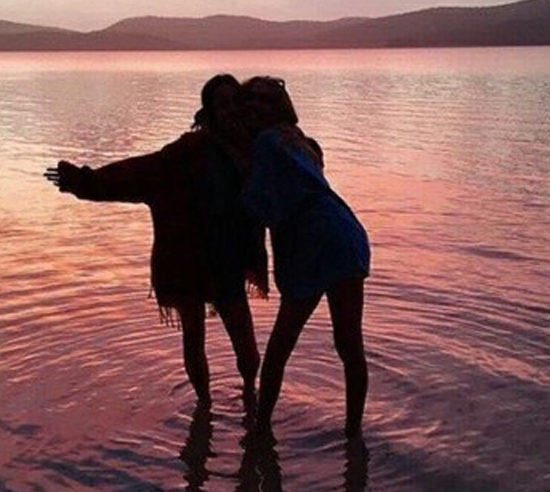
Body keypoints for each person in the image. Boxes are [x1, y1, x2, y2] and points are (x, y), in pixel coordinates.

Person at [44, 74, 268, 404]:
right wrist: (83, 180)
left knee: (247, 349)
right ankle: (204, 406)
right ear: (208, 111)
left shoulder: (250, 150)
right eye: (222, 103)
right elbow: (137, 173)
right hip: (186, 261)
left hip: (227, 260)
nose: (229, 110)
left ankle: (250, 396)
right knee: (193, 337)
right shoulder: (188, 152)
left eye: (235, 102)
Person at [240, 76, 370, 438]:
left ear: (277, 106)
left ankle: (261, 430)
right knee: (348, 344)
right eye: (250, 101)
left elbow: (259, 204)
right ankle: (353, 434)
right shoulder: (300, 141)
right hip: (344, 232)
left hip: (317, 242)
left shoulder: (267, 142)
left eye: (263, 100)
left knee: (282, 345)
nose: (255, 108)